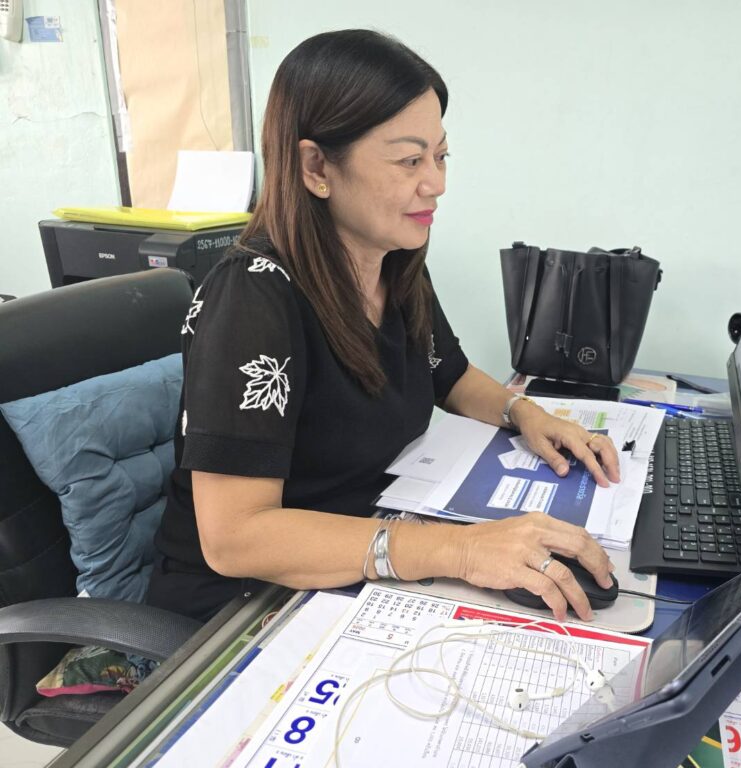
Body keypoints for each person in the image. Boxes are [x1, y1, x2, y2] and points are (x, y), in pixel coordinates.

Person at [146, 30, 620, 624]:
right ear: (316, 166)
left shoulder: (392, 259)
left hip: (363, 558)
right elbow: (235, 538)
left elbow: (449, 375)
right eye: (409, 160)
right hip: (243, 609)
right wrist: (458, 550)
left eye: (441, 157)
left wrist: (525, 414)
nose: (436, 183)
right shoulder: (253, 296)